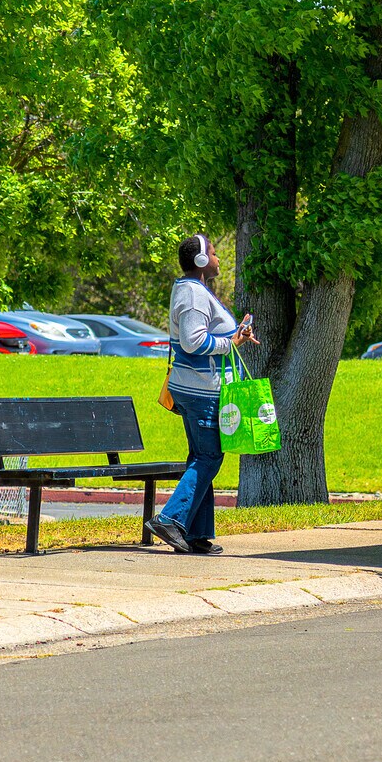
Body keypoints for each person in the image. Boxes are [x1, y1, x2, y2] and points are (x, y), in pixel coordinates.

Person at [148, 233, 256, 554]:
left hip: (194, 387)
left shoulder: (192, 290)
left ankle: (195, 534)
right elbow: (194, 341)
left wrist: (236, 333)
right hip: (201, 390)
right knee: (209, 457)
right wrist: (230, 343)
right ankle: (170, 519)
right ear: (200, 261)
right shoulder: (194, 295)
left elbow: (203, 334)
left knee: (201, 457)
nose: (218, 257)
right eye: (213, 252)